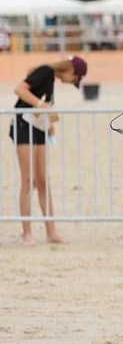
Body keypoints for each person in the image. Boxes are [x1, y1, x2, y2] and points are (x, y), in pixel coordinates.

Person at [9, 56, 88, 246]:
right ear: (71, 71)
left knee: (43, 181)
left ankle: (51, 231)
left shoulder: (50, 78)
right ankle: (27, 232)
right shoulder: (45, 71)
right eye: (74, 79)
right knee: (28, 181)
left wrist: (49, 121)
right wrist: (41, 106)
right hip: (23, 125)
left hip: (37, 127)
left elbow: (41, 103)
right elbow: (19, 89)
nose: (72, 83)